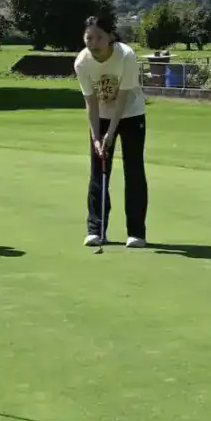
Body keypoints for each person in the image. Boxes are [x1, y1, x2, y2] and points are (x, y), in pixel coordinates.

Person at [75, 14, 147, 248]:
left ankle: (136, 233)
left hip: (130, 114)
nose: (93, 43)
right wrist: (97, 137)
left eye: (98, 37)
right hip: (101, 117)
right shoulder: (82, 63)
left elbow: (123, 98)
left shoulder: (125, 56)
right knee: (98, 171)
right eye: (89, 38)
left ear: (110, 37)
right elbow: (91, 101)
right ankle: (95, 230)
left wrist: (111, 131)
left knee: (133, 171)